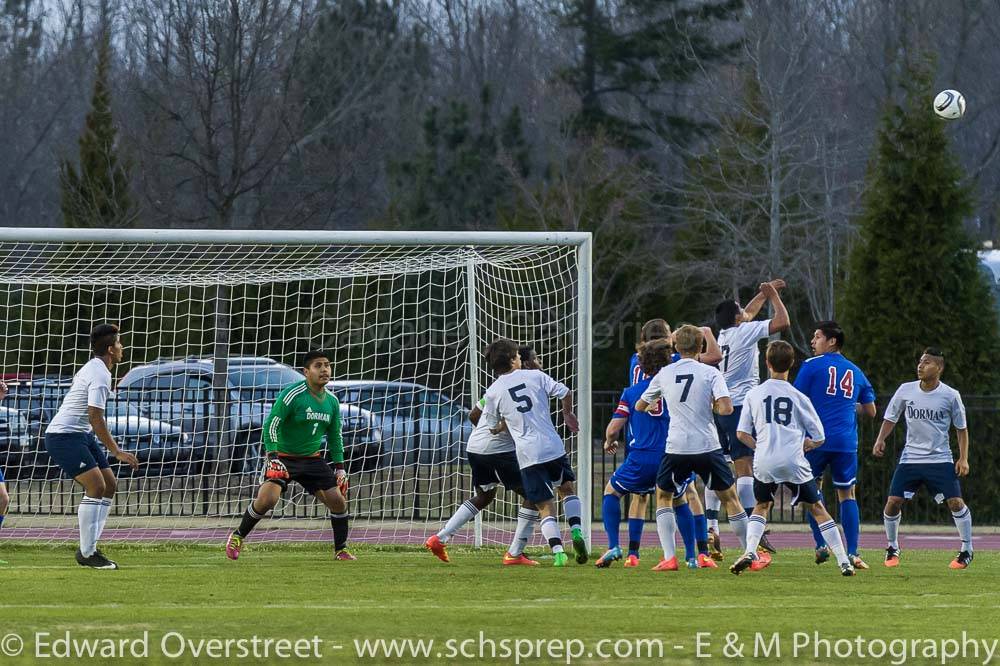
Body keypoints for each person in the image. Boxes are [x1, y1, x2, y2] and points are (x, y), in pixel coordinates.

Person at [732, 341, 855, 576]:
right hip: (792, 459)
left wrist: (760, 446)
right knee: (817, 507)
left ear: (767, 363)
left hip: (765, 459)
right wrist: (808, 444)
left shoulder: (754, 394)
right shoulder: (799, 397)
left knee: (762, 505)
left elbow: (741, 433)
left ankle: (750, 550)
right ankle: (843, 561)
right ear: (791, 365)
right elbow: (819, 436)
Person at [636, 325, 749, 570]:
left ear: (676, 347)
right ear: (701, 347)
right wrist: (711, 407)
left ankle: (669, 557)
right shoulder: (710, 373)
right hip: (707, 445)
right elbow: (727, 408)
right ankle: (750, 553)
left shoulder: (664, 373)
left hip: (676, 447)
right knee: (730, 499)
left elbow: (640, 406)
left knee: (663, 497)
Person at [597, 338, 716, 570]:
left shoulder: (631, 392)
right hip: (671, 455)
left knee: (612, 492)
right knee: (680, 499)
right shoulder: (676, 389)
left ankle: (615, 546)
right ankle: (692, 556)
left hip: (640, 458)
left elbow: (613, 428)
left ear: (641, 366)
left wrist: (609, 441)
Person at [225, 350, 353, 561]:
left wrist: (340, 468)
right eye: (318, 366)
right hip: (283, 458)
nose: (324, 370)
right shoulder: (292, 394)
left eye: (327, 365)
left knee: (337, 501)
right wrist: (273, 457)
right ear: (306, 372)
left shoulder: (331, 401)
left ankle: (341, 550)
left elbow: (335, 436)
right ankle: (238, 536)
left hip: (312, 459)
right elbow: (271, 425)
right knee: (267, 500)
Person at [424, 346, 544, 566]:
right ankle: (515, 553)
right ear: (516, 362)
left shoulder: (495, 387)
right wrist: (501, 434)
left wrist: (490, 430)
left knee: (485, 496)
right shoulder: (525, 385)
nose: (537, 362)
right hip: (496, 451)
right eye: (522, 357)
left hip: (476, 447)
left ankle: (439, 539)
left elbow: (473, 414)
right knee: (535, 495)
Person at [480, 339, 584, 567]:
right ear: (512, 359)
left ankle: (558, 552)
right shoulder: (535, 376)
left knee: (544, 505)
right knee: (566, 489)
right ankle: (576, 530)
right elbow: (565, 392)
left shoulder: (493, 391)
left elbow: (491, 425)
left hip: (528, 454)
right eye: (517, 355)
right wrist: (567, 414)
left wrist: (503, 425)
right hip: (552, 445)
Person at [44, 324, 140, 569]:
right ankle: (87, 554)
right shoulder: (99, 374)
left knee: (109, 485)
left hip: (81, 435)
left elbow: (93, 421)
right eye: (119, 344)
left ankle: (91, 547)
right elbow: (95, 416)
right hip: (63, 436)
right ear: (110, 349)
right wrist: (116, 451)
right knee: (96, 486)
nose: (122, 347)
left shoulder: (97, 368)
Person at [873, 348, 972, 569]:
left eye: (927, 363)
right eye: (920, 362)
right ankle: (892, 547)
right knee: (892, 502)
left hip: (940, 459)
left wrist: (963, 458)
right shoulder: (905, 390)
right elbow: (891, 417)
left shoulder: (950, 395)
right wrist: (880, 439)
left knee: (955, 502)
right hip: (910, 458)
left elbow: (961, 429)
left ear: (939, 368)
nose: (920, 366)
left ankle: (966, 549)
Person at [712, 279, 789, 557]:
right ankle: (752, 526)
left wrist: (765, 294)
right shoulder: (744, 332)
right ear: (736, 318)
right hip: (741, 406)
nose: (745, 312)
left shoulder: (723, 335)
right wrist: (774, 299)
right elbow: (782, 322)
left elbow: (748, 313)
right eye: (740, 311)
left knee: (720, 465)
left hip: (720, 406)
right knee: (744, 466)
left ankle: (711, 527)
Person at [793, 321, 876, 569]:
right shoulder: (856, 371)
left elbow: (797, 400)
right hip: (845, 443)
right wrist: (850, 406)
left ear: (832, 341)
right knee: (847, 494)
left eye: (817, 337)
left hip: (815, 441)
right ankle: (852, 551)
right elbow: (871, 410)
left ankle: (821, 545)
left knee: (812, 494)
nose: (812, 341)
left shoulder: (810, 366)